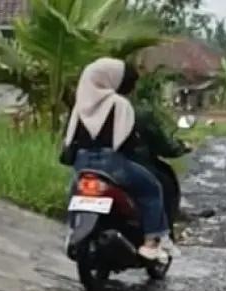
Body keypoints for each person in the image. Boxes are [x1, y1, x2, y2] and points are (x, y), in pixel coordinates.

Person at [61, 57, 177, 261]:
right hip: (111, 164)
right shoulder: (119, 104)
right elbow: (126, 139)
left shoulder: (80, 106)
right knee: (152, 189)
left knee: (74, 194)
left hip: (82, 164)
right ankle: (152, 242)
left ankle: (72, 231)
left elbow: (69, 139)